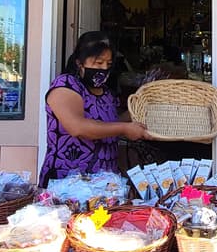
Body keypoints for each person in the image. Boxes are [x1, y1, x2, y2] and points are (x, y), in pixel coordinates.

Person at [40, 31, 150, 186]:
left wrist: (139, 113)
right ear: (79, 63)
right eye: (99, 63)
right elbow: (78, 127)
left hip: (106, 183)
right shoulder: (65, 86)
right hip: (68, 183)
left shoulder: (106, 93)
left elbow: (108, 125)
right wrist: (125, 128)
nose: (104, 68)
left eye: (108, 64)